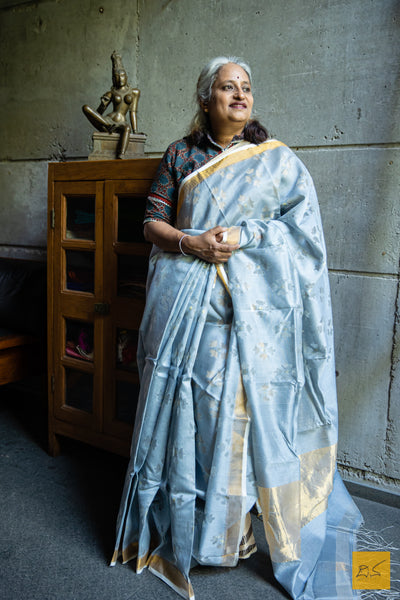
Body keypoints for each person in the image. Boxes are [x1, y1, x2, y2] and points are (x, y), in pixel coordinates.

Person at [111, 57, 363, 600]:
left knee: (246, 413)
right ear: (206, 98)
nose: (240, 94)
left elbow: (301, 233)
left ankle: (237, 526)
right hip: (188, 308)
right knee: (196, 413)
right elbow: (151, 221)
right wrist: (190, 242)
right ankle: (197, 530)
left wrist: (245, 237)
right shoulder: (181, 154)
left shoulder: (274, 160)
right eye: (228, 87)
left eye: (246, 87)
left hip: (256, 315)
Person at [82, 51, 140, 158]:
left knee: (127, 128)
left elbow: (133, 112)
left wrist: (136, 131)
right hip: (107, 121)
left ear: (126, 76)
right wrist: (102, 105)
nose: (120, 78)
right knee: (85, 107)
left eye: (122, 75)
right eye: (117, 76)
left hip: (121, 124)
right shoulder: (111, 92)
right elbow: (98, 114)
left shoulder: (134, 92)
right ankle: (109, 126)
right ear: (113, 79)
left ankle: (121, 154)